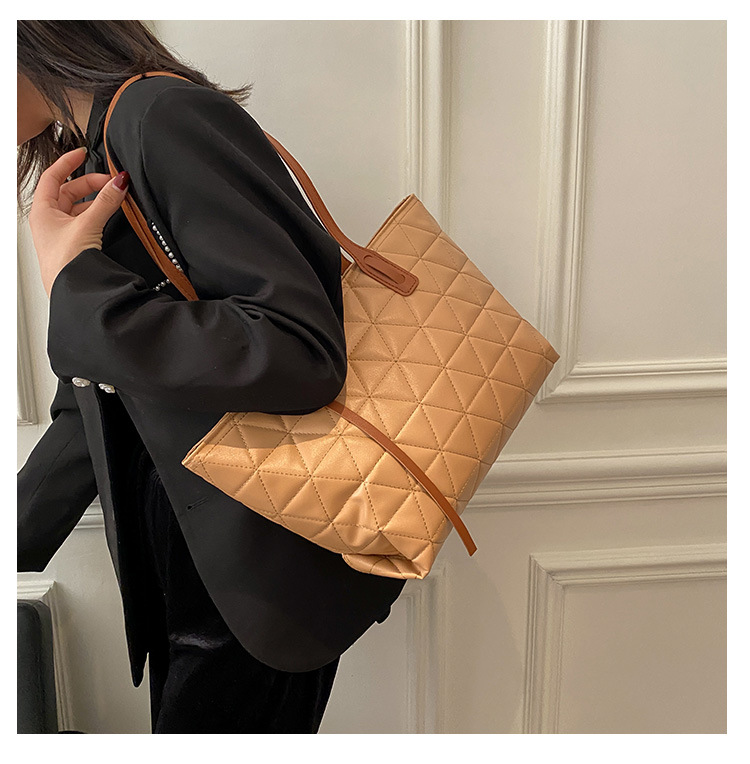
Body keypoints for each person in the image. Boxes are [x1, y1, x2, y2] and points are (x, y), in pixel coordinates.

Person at [17, 21, 404, 734]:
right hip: (191, 551)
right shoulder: (101, 146)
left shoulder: (161, 116)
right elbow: (102, 397)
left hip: (252, 557)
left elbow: (299, 349)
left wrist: (74, 283)